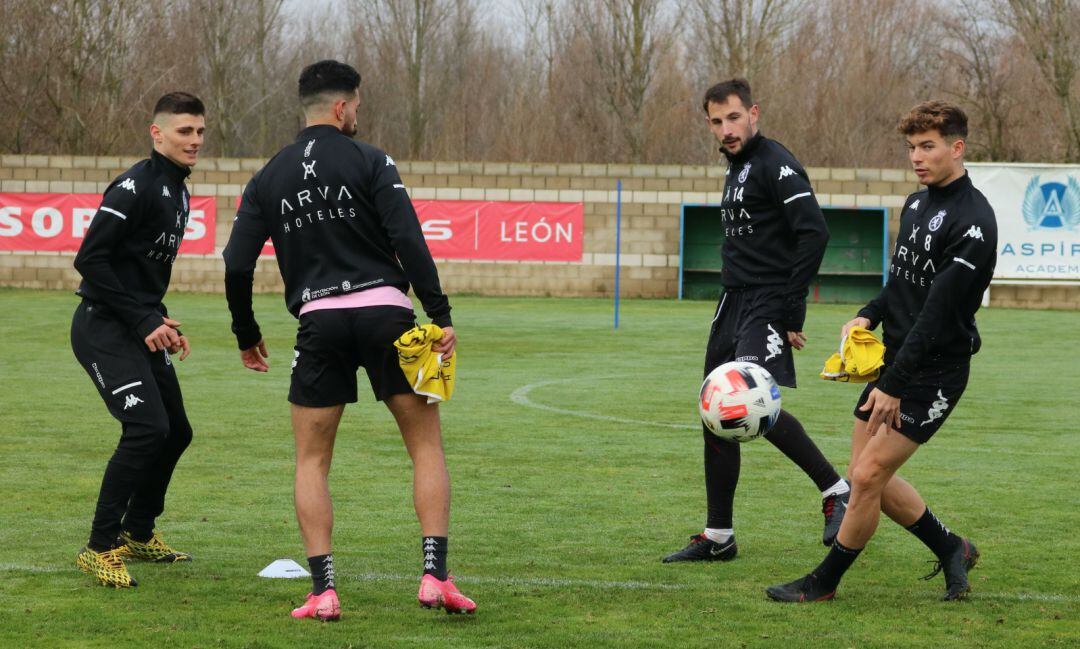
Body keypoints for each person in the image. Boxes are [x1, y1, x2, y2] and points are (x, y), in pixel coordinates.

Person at [223, 60, 475, 620]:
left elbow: (236, 263)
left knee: (311, 461)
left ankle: (323, 590)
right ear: (342, 107)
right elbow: (407, 236)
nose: (358, 115)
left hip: (320, 324)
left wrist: (247, 333)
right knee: (426, 448)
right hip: (389, 315)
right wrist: (439, 313)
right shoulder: (371, 159)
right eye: (357, 106)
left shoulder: (267, 177)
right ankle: (435, 577)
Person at [766, 100, 995, 603]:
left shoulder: (974, 222)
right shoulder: (917, 204)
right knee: (864, 475)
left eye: (928, 146)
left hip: (935, 372)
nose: (917, 156)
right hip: (897, 358)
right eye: (912, 147)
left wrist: (891, 385)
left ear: (957, 148)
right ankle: (950, 545)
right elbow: (903, 285)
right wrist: (869, 313)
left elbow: (935, 315)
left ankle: (822, 584)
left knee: (867, 476)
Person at [663, 79, 850, 563]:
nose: (726, 129)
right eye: (716, 121)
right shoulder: (738, 167)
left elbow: (815, 232)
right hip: (732, 303)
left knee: (745, 403)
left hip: (766, 302)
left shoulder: (775, 163)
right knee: (714, 411)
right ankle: (718, 536)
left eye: (734, 118)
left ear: (754, 114)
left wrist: (791, 308)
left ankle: (836, 490)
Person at [71, 92, 205, 588]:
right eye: (184, 131)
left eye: (199, 132)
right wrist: (144, 319)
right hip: (103, 327)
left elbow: (138, 272)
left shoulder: (180, 190)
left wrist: (160, 321)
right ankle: (100, 545)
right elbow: (91, 260)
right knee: (147, 428)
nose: (194, 141)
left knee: (177, 430)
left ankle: (139, 531)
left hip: (139, 325)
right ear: (157, 133)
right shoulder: (135, 186)